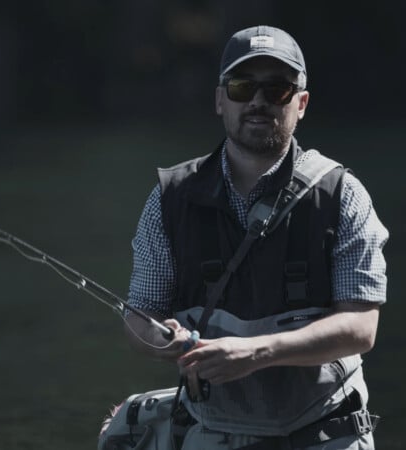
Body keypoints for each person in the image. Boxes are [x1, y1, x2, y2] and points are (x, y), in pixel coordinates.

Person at [123, 25, 388, 449]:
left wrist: (255, 353)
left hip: (323, 430)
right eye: (243, 87)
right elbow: (140, 317)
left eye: (278, 90)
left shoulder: (342, 195)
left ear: (301, 104)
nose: (259, 102)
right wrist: (164, 342)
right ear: (220, 100)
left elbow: (360, 327)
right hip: (213, 430)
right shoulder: (169, 200)